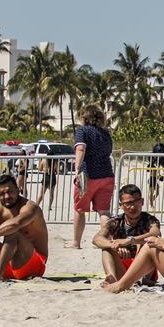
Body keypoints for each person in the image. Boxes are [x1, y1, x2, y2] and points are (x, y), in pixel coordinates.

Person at [92, 183, 161, 285]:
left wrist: (129, 240)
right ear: (121, 206)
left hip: (144, 268)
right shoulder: (116, 221)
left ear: (141, 202)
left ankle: (142, 280)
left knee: (148, 244)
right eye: (128, 203)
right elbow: (96, 239)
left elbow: (155, 233)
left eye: (136, 202)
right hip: (123, 268)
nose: (132, 207)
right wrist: (115, 245)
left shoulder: (150, 220)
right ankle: (112, 278)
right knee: (106, 249)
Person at [67, 104, 114, 249]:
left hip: (87, 175)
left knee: (80, 210)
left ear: (84, 117)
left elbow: (80, 148)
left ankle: (76, 242)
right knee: (104, 212)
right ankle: (106, 241)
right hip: (106, 174)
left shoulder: (82, 131)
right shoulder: (106, 134)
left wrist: (76, 170)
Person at [148, 139, 164, 206]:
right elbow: (150, 171)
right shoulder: (151, 165)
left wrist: (161, 176)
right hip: (152, 180)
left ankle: (151, 201)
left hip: (155, 179)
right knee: (152, 192)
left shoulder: (162, 146)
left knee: (157, 192)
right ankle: (151, 203)